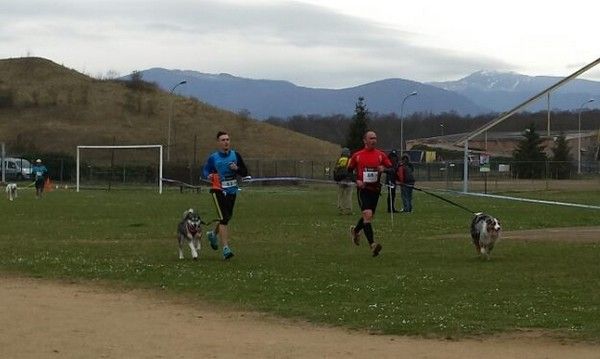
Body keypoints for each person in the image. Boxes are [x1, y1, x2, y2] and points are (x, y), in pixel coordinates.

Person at [201, 131, 249, 260]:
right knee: (224, 218)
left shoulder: (235, 155)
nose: (226, 142)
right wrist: (208, 175)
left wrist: (236, 169)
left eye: (227, 139)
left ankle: (212, 234)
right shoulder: (213, 158)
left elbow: (245, 172)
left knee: (227, 217)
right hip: (218, 190)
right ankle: (226, 249)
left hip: (232, 190)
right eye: (223, 140)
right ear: (218, 142)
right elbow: (205, 170)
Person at [347, 131, 392, 257]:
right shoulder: (357, 156)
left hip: (375, 190)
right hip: (363, 190)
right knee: (368, 215)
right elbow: (349, 172)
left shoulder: (381, 155)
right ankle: (373, 245)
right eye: (371, 138)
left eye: (375, 138)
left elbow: (391, 168)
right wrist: (357, 180)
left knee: (369, 216)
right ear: (365, 140)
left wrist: (385, 169)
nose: (374, 140)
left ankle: (355, 231)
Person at [333, 147, 353, 215]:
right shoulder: (350, 160)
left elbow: (335, 169)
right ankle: (348, 209)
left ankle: (341, 209)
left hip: (341, 180)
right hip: (349, 180)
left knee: (340, 195)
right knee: (348, 195)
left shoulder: (339, 160)